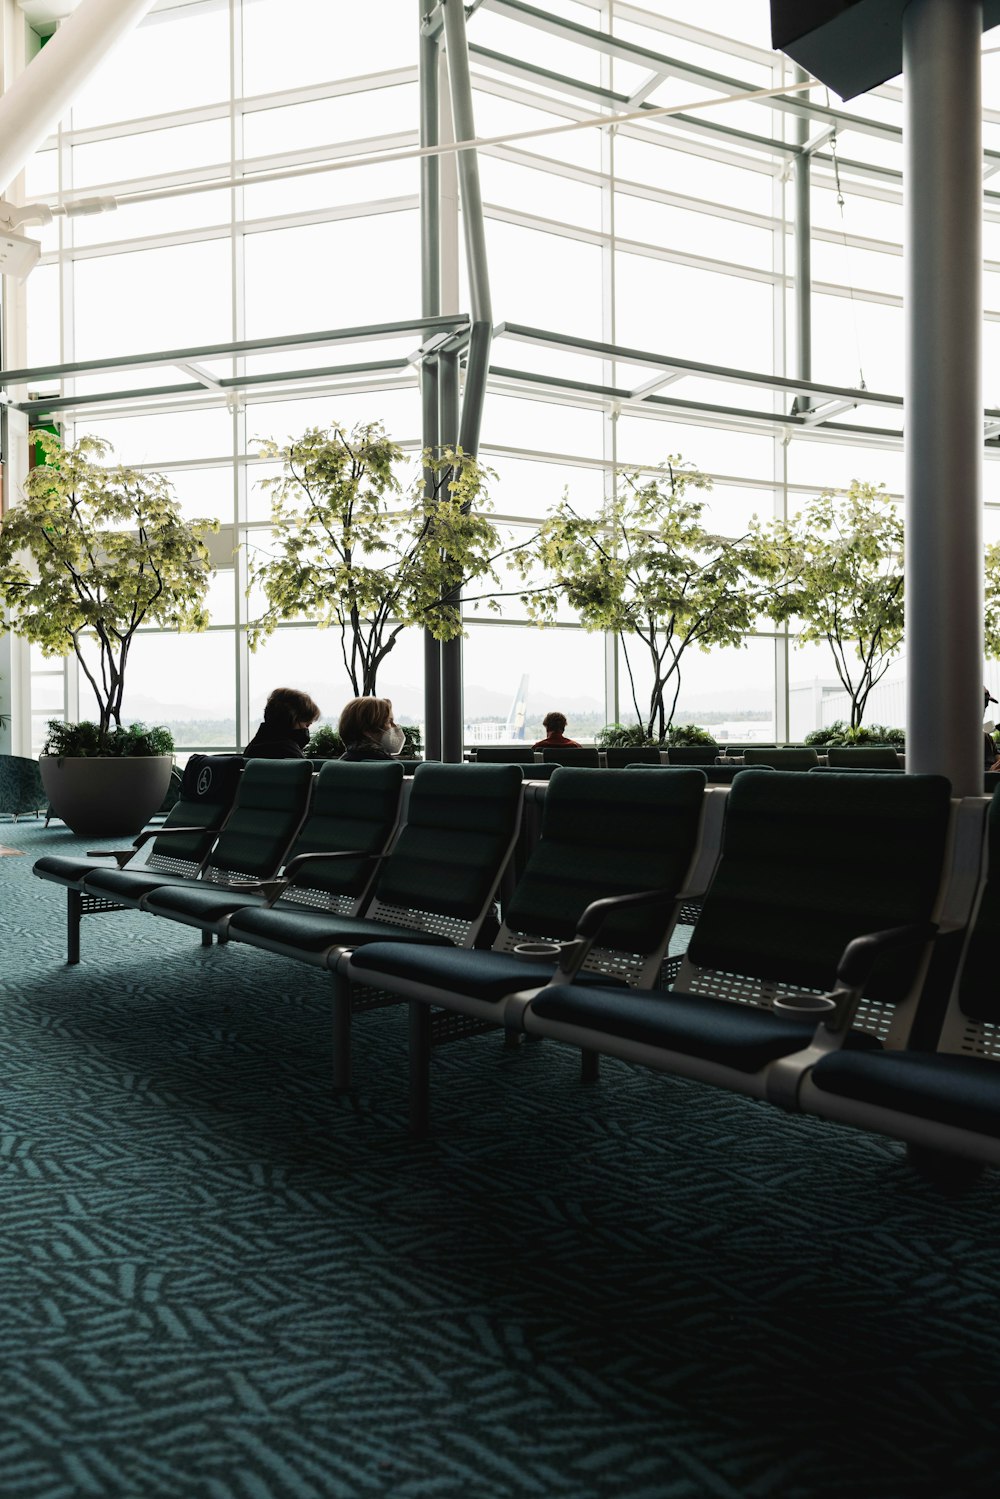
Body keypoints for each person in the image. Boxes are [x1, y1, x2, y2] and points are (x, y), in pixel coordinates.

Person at [243, 686, 320, 759]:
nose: (306, 730)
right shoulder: (291, 753)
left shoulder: (252, 748)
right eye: (307, 725)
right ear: (292, 719)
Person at [338, 696, 406, 761]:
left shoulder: (339, 764)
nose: (395, 726)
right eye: (389, 721)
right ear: (368, 731)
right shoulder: (387, 767)